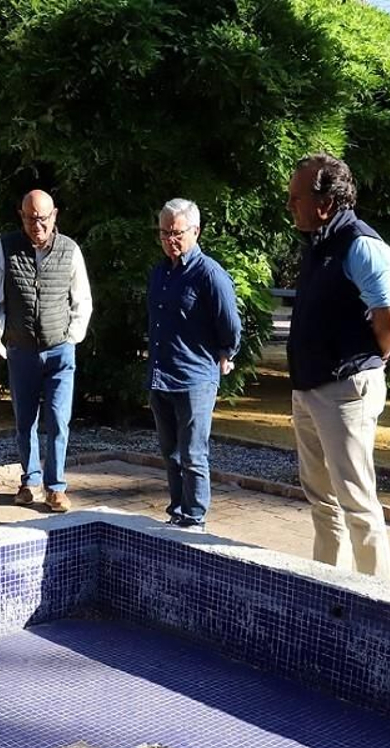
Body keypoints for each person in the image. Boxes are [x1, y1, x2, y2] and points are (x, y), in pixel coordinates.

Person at [286, 153, 390, 580]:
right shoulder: (318, 243)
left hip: (345, 389)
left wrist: (373, 360)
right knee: (322, 499)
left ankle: (378, 599)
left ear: (327, 202)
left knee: (356, 500)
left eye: (296, 197)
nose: (289, 205)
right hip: (310, 388)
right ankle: (329, 586)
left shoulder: (360, 245)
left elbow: (389, 322)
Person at [0, 189, 93, 512]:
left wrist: (71, 336)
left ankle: (55, 486)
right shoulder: (5, 248)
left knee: (59, 419)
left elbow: (81, 300)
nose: (37, 225)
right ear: (22, 216)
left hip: (60, 351)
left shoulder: (70, 250)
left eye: (43, 218)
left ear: (54, 215)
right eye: (31, 218)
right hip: (21, 349)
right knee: (24, 420)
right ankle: (29, 481)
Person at [145, 197, 242, 531]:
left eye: (176, 233)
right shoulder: (160, 273)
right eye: (163, 234)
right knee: (170, 454)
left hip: (195, 379)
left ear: (195, 231)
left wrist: (226, 354)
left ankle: (195, 518)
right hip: (161, 377)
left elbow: (230, 326)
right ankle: (177, 511)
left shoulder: (210, 275)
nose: (170, 240)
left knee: (193, 455)